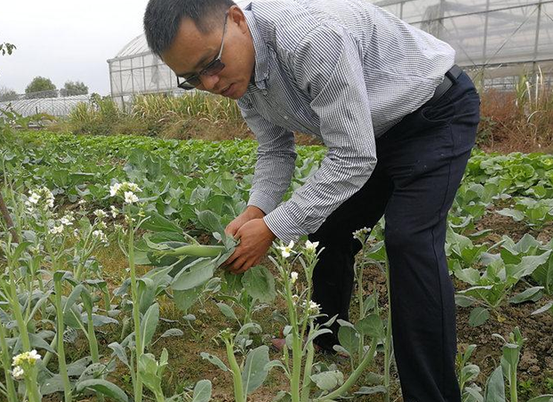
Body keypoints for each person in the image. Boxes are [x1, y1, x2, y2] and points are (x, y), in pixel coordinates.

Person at [144, 0, 480, 400]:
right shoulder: (239, 74)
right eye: (192, 79)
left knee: (410, 241)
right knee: (327, 226)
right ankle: (323, 336)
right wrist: (257, 210)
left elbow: (353, 156)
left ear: (235, 18)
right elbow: (275, 150)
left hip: (432, 114)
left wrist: (272, 229)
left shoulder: (310, 39)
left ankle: (433, 395)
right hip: (374, 130)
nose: (211, 84)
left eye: (211, 64)